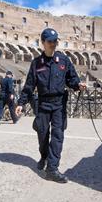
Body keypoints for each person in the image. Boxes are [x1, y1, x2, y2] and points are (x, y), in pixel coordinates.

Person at [15, 28, 87, 183]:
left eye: (55, 41)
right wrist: (21, 103)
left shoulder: (64, 60)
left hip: (59, 103)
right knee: (42, 133)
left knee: (57, 136)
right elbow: (29, 86)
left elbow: (72, 79)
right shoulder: (36, 63)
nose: (53, 44)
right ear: (43, 43)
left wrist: (78, 85)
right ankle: (44, 156)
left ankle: (52, 169)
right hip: (42, 103)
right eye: (50, 41)